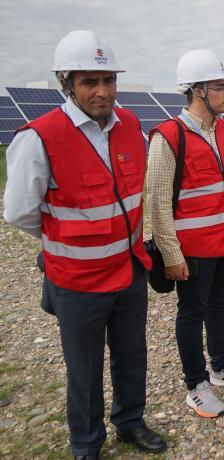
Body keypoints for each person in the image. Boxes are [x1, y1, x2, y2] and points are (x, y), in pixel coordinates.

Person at [2, 30, 166, 458]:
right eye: (89, 82)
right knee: (84, 368)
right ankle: (87, 443)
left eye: (108, 80)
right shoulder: (39, 137)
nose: (102, 91)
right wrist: (62, 240)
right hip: (78, 281)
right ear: (66, 83)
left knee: (132, 356)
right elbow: (19, 212)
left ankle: (130, 423)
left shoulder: (129, 124)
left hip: (129, 270)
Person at [148, 49, 224, 418]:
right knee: (192, 313)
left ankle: (222, 367)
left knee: (219, 303)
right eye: (221, 86)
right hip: (193, 250)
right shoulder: (168, 137)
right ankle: (196, 384)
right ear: (197, 90)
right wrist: (171, 254)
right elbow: (158, 202)